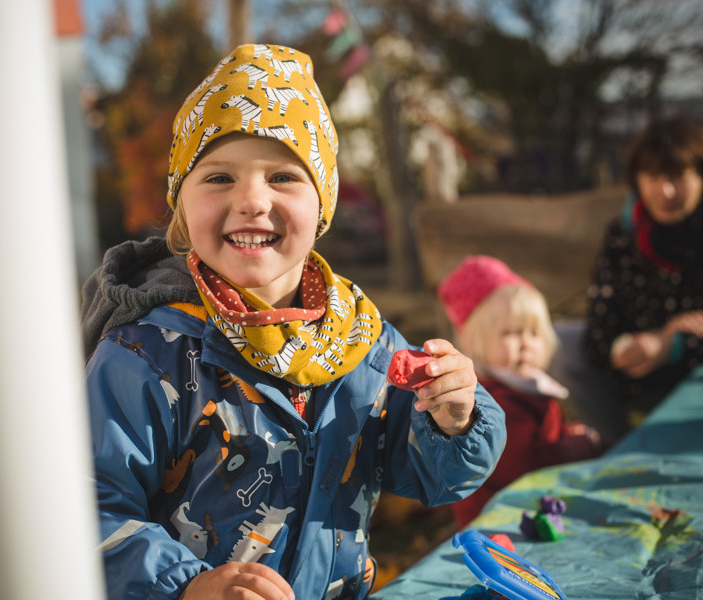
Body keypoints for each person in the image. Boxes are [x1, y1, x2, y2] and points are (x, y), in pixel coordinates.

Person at [81, 44, 506, 600]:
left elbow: (432, 476)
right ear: (181, 211)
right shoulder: (143, 353)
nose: (252, 200)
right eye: (218, 178)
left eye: (283, 176)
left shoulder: (363, 342)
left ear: (322, 205)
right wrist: (186, 588)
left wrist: (455, 420)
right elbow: (87, 509)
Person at [438, 255, 600, 528]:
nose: (526, 343)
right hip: (498, 522)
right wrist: (580, 446)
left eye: (534, 333)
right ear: (475, 338)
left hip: (528, 510)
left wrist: (564, 433)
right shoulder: (495, 401)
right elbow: (526, 464)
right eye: (511, 333)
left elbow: (540, 436)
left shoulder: (523, 387)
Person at [581, 116, 703, 431]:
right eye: (652, 175)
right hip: (638, 387)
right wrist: (625, 348)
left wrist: (673, 346)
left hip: (696, 388)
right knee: (562, 347)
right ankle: (609, 446)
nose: (666, 191)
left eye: (678, 176)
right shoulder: (623, 235)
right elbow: (598, 330)